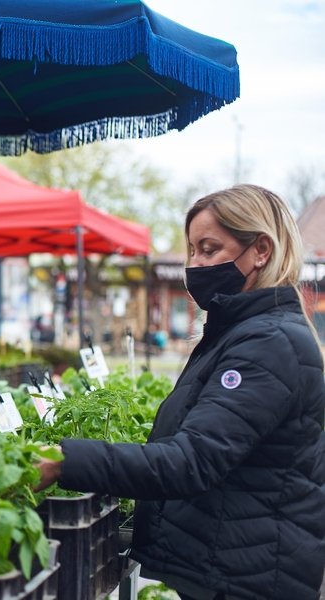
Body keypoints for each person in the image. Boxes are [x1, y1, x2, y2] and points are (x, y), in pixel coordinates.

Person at [36, 185, 325, 600]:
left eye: (209, 249)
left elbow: (190, 461)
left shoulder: (269, 343)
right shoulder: (242, 332)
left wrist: (66, 461)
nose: (196, 264)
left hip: (247, 579)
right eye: (192, 250)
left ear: (261, 250)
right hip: (233, 565)